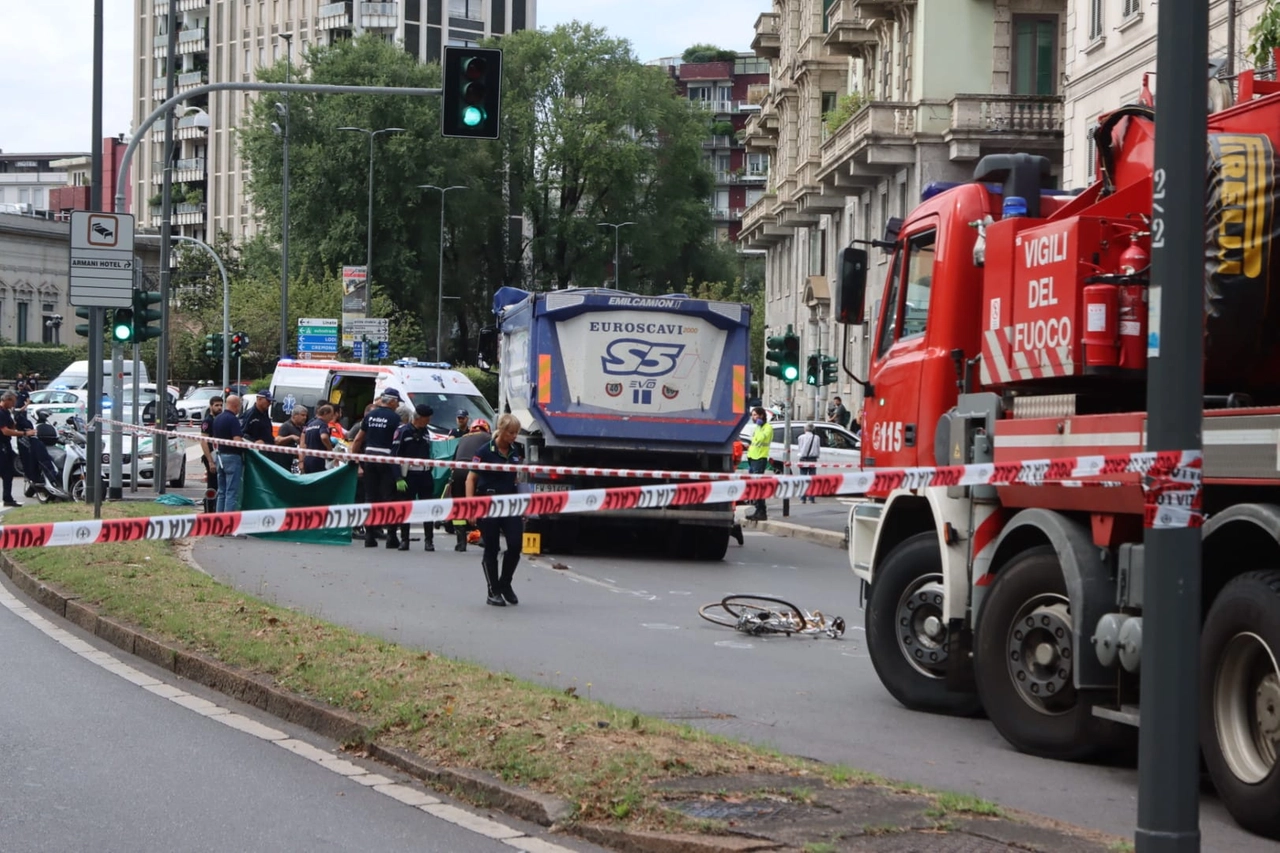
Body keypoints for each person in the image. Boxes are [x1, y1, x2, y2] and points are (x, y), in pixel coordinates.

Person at [466, 413, 525, 607]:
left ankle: (505, 583)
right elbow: (471, 479)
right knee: (492, 547)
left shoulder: (515, 451)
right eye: (510, 433)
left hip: (510, 504)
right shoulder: (484, 451)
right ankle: (493, 591)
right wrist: (471, 507)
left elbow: (517, 478)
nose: (514, 436)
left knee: (516, 545)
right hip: (487, 503)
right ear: (501, 430)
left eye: (516, 433)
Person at [351, 389, 405, 549]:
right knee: (389, 499)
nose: (398, 405)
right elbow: (398, 442)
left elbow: (358, 439)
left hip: (369, 459)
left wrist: (357, 462)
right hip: (387, 460)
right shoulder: (396, 418)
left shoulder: (370, 416)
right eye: (397, 402)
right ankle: (391, 536)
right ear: (392, 401)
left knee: (370, 497)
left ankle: (369, 536)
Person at [392, 403, 437, 552]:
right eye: (427, 418)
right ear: (419, 418)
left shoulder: (426, 432)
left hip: (424, 475)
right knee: (406, 508)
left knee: (428, 508)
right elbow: (394, 456)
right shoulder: (403, 432)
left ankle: (429, 541)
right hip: (409, 475)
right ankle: (405, 540)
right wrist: (398, 477)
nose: (429, 421)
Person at [449, 419, 491, 552]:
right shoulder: (488, 438)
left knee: (459, 506)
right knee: (482, 503)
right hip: (474, 472)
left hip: (458, 471)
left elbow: (454, 460)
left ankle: (461, 542)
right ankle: (484, 538)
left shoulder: (463, 438)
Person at [212, 395, 247, 513]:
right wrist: (247, 445)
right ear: (236, 406)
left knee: (221, 491)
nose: (239, 409)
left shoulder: (217, 419)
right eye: (239, 406)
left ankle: (219, 524)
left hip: (220, 456)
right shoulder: (233, 420)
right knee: (231, 492)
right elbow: (237, 441)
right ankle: (228, 525)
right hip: (232, 457)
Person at [0, 390, 33, 507]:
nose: (14, 404)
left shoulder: (6, 412)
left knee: (8, 473)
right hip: (1, 445)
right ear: (7, 400)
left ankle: (8, 498)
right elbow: (5, 431)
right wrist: (24, 433)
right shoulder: (1, 413)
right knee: (5, 471)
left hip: (6, 445)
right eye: (13, 402)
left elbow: (11, 426)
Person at [744, 406, 773, 521]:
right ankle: (757, 510)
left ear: (761, 415)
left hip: (760, 458)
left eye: (755, 415)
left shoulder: (767, 428)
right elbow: (754, 442)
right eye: (752, 415)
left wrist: (760, 426)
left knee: (758, 486)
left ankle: (762, 511)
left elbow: (761, 439)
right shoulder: (757, 427)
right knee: (754, 487)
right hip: (753, 458)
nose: (753, 417)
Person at [199, 395, 224, 510]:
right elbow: (203, 441)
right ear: (211, 406)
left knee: (220, 486)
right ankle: (208, 511)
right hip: (211, 457)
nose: (219, 408)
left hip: (220, 456)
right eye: (216, 405)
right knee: (212, 486)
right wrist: (210, 462)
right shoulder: (208, 421)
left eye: (221, 405)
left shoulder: (221, 419)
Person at [301, 404, 336, 475]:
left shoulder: (310, 424)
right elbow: (324, 437)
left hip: (307, 459)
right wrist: (330, 450)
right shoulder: (323, 424)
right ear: (325, 413)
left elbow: (303, 441)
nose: (332, 417)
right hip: (317, 459)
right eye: (331, 415)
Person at [272, 404, 308, 471]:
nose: (305, 417)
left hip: (294, 460)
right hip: (284, 460)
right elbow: (277, 441)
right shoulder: (286, 426)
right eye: (302, 415)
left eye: (306, 415)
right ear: (294, 416)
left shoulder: (301, 427)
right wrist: (291, 437)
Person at [797, 422, 821, 504]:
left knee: (803, 478)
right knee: (812, 479)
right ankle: (812, 498)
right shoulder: (817, 438)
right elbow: (818, 449)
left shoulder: (801, 437)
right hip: (813, 459)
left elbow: (800, 449)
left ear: (805, 429)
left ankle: (802, 498)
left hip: (803, 459)